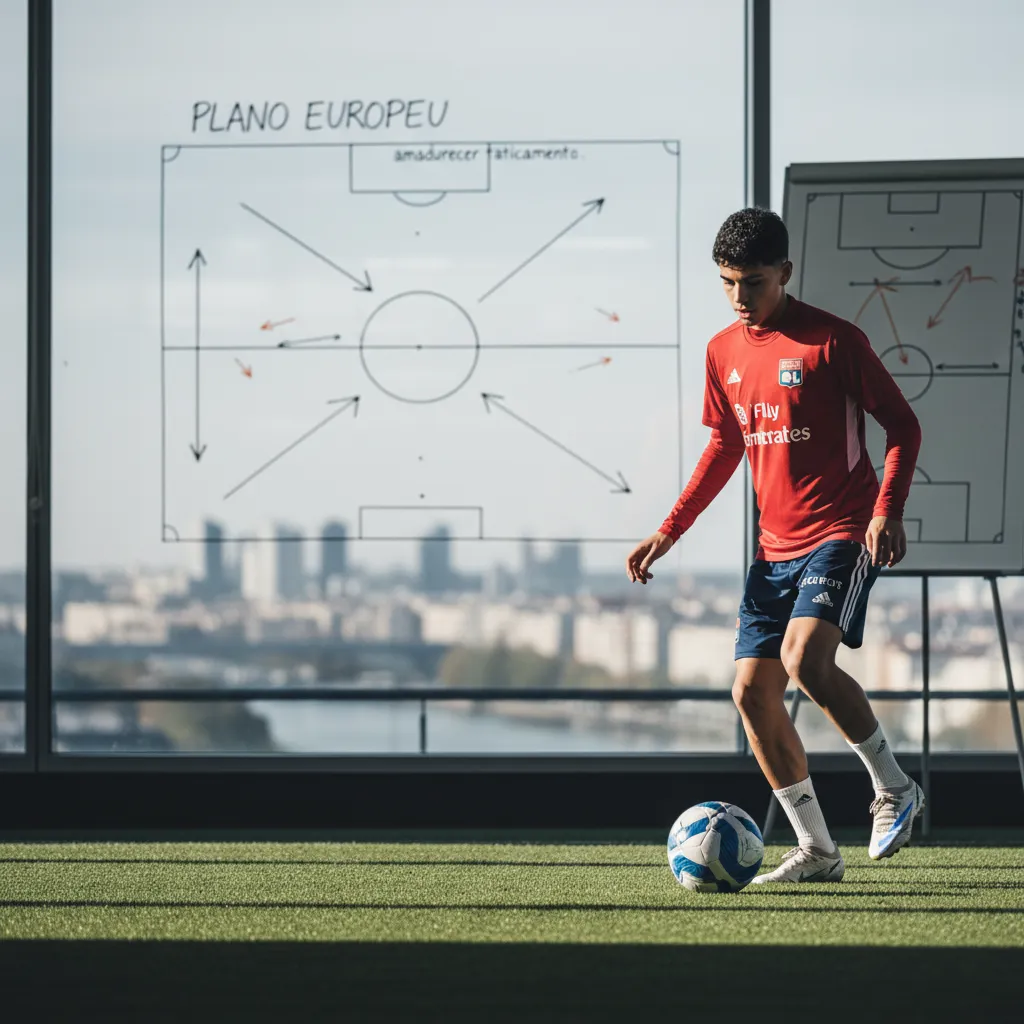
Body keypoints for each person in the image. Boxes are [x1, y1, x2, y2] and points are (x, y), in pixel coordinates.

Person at [626, 207, 924, 883]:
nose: (739, 296)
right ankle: (818, 850)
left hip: (841, 530)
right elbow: (725, 445)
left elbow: (903, 425)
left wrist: (888, 511)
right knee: (751, 696)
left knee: (804, 662)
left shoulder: (834, 342)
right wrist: (670, 530)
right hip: (773, 550)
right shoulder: (720, 351)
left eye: (753, 282)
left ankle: (895, 789)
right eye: (728, 282)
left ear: (785, 274)